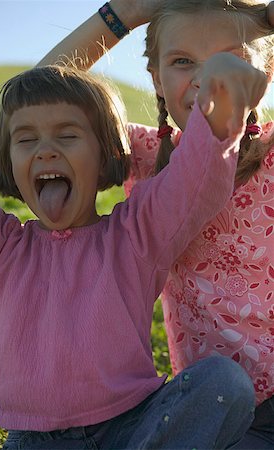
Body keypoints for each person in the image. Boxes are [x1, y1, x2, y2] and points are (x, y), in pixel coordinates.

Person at [0, 60, 261, 448]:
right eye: (26, 140)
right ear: (10, 160)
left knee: (225, 382)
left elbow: (194, 179)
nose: (45, 151)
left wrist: (223, 101)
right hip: (35, 440)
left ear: (106, 152)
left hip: (133, 428)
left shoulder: (134, 234)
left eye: (67, 135)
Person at [38, 0, 274, 448]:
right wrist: (125, 12)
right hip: (205, 405)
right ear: (156, 81)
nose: (205, 78)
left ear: (264, 76)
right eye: (182, 61)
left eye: (231, 60)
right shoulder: (145, 158)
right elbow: (38, 100)